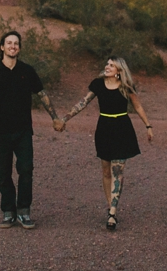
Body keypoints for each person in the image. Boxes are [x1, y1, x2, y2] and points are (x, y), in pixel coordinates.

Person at [0, 30, 62, 229]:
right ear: (1, 47)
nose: (12, 46)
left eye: (16, 43)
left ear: (19, 48)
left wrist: (55, 118)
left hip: (23, 130)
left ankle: (24, 211)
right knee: (4, 173)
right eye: (9, 43)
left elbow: (42, 94)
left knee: (26, 170)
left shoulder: (27, 71)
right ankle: (8, 211)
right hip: (0, 131)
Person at [58, 57, 152, 230]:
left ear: (119, 70)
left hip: (122, 129)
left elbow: (137, 106)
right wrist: (65, 118)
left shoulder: (126, 87)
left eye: (111, 65)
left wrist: (148, 125)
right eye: (107, 64)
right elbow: (83, 102)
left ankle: (113, 213)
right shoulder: (98, 84)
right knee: (106, 170)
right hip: (104, 128)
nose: (107, 67)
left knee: (118, 171)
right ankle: (110, 206)